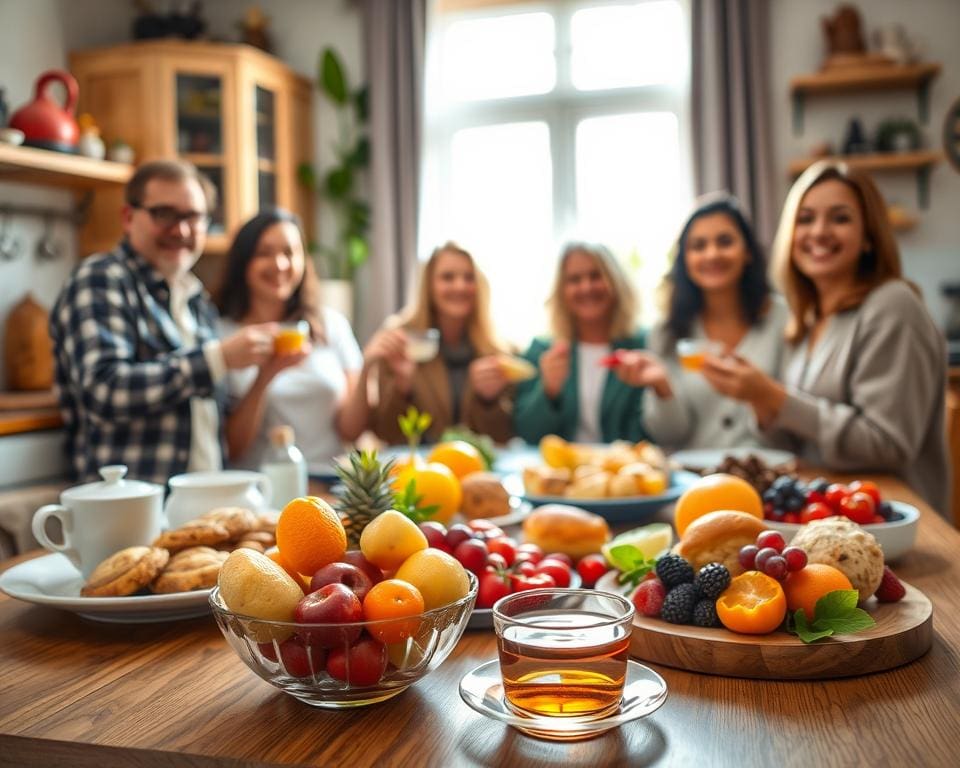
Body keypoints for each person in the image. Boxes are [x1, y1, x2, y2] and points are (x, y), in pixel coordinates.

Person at [700, 160, 949, 513]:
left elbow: (887, 445)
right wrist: (758, 398)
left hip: (892, 518)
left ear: (868, 237)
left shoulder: (892, 305)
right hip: (828, 516)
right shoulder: (809, 321)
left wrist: (773, 394)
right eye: (806, 219)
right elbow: (799, 443)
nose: (818, 231)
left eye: (840, 218)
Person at [50, 160, 275, 484]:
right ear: (128, 217)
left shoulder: (197, 301)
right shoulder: (100, 279)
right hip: (134, 511)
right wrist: (218, 358)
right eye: (164, 214)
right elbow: (105, 390)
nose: (181, 230)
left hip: (204, 505)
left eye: (193, 217)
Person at [216, 208, 367, 471]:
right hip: (262, 486)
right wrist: (265, 376)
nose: (280, 264)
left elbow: (350, 430)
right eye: (264, 253)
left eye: (289, 252)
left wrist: (373, 364)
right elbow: (233, 448)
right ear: (243, 262)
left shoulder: (330, 325)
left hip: (331, 481)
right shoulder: (223, 336)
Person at [641, 195, 789, 449]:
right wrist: (662, 387)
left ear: (748, 252)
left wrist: (760, 396)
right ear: (684, 259)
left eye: (725, 241)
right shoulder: (665, 333)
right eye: (698, 246)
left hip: (765, 477)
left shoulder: (782, 319)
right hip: (693, 480)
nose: (712, 254)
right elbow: (669, 436)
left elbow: (791, 433)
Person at [366, 242, 513, 444]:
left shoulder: (498, 351)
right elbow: (387, 434)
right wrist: (403, 390)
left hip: (475, 470)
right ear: (428, 285)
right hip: (419, 470)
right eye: (447, 277)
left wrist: (488, 402)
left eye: (469, 277)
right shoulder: (399, 341)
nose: (460, 286)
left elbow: (504, 438)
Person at [514, 242, 660, 444]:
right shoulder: (542, 350)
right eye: (574, 279)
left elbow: (655, 433)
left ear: (616, 282)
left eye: (595, 276)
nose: (586, 287)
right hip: (562, 472)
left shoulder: (645, 345)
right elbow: (527, 432)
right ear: (561, 290)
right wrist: (548, 391)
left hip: (623, 470)